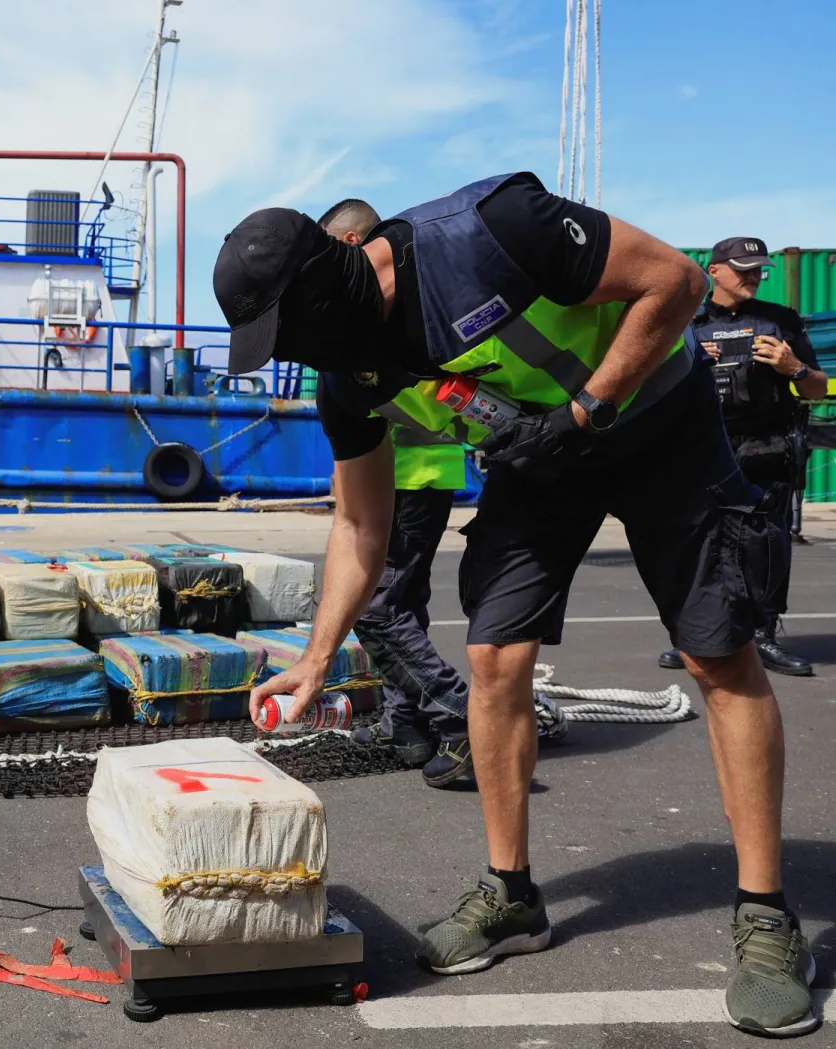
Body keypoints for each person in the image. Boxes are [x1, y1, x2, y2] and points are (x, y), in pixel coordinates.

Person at [217, 172, 816, 1037]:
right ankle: (513, 895)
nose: (297, 355)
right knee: (494, 656)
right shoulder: (348, 378)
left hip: (655, 416)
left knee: (716, 653)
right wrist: (316, 656)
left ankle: (765, 915)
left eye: (290, 331)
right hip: (543, 457)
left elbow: (677, 284)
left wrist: (584, 409)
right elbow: (358, 522)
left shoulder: (493, 228)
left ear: (330, 278)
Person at [318, 197, 472, 787]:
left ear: (351, 244)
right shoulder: (407, 294)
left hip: (404, 476)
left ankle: (459, 718)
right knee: (403, 603)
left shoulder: (376, 310)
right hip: (417, 474)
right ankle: (407, 723)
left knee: (375, 607)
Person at [658, 236, 825, 677]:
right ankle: (697, 637)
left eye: (758, 269)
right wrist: (687, 362)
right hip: (700, 450)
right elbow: (652, 390)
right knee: (700, 547)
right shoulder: (684, 322)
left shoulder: (781, 322)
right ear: (714, 271)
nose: (753, 276)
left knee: (765, 547)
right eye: (743, 268)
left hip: (767, 449)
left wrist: (794, 368)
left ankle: (763, 635)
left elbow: (817, 388)